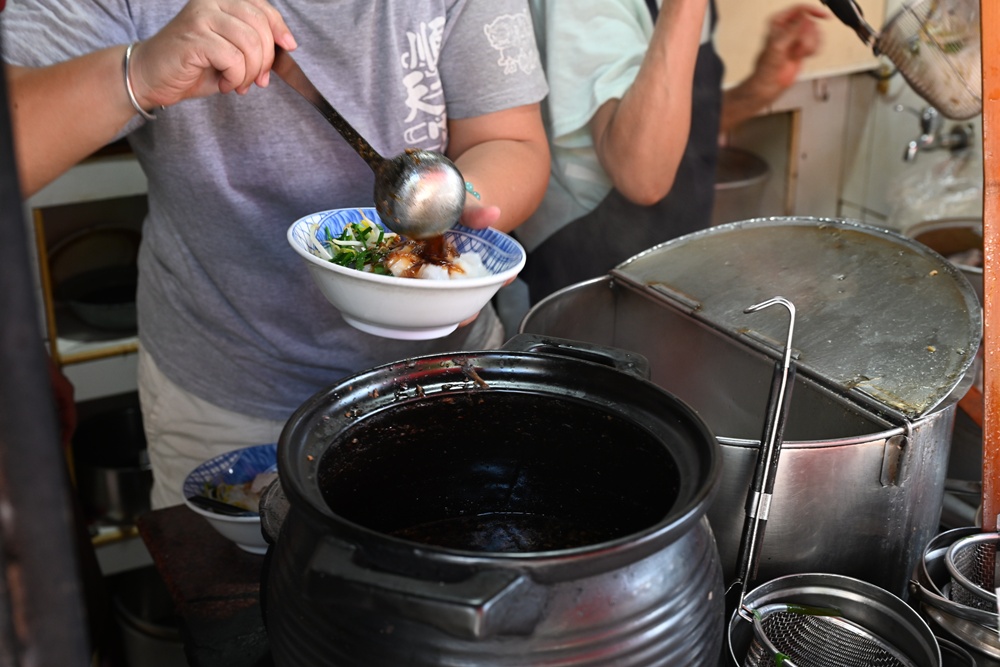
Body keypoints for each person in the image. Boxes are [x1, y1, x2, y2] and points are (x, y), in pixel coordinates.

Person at [2, 0, 550, 508]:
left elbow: (510, 140)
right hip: (228, 393)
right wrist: (137, 74)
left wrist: (455, 208)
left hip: (443, 379)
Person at [516, 0, 826, 304]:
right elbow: (642, 175)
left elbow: (670, 128)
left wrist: (759, 89)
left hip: (673, 258)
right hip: (586, 271)